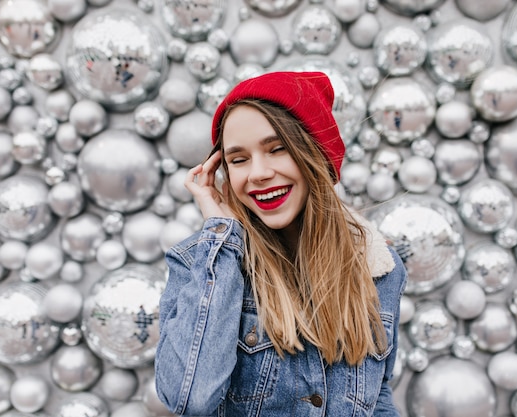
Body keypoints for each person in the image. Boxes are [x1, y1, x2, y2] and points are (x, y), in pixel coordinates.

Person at [154, 71, 408, 416]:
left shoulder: (378, 266)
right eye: (239, 159)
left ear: (316, 155)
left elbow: (376, 395)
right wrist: (222, 234)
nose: (258, 173)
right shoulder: (201, 265)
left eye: (278, 149)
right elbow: (190, 398)